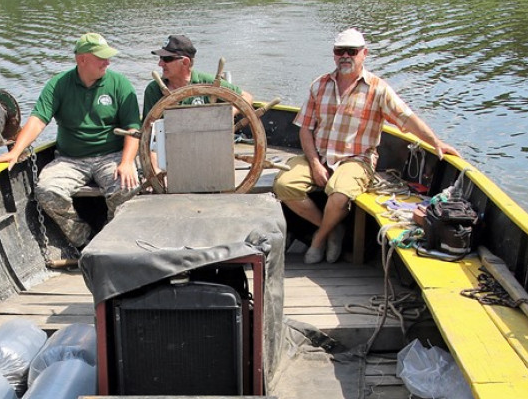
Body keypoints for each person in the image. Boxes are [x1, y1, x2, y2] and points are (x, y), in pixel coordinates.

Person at [274, 28, 458, 264]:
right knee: (284, 184)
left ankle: (319, 238)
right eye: (340, 51)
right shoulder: (319, 85)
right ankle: (333, 230)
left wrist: (435, 142)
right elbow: (305, 129)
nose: (346, 56)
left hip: (356, 159)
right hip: (319, 155)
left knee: (339, 195)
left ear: (364, 53)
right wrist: (314, 163)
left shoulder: (378, 89)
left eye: (352, 51)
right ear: (334, 54)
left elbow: (407, 119)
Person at [0, 32, 142, 250]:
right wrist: (16, 151)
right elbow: (37, 121)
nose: (107, 62)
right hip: (70, 159)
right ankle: (84, 239)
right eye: (101, 57)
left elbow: (133, 128)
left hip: (111, 155)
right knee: (46, 191)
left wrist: (127, 161)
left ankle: (111, 239)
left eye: (108, 57)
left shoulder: (120, 84)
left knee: (127, 188)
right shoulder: (58, 85)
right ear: (82, 59)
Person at [141, 34, 254, 120]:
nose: (160, 64)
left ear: (185, 62)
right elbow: (149, 132)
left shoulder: (207, 82)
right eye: (160, 58)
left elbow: (246, 97)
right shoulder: (154, 90)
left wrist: (227, 115)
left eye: (166, 59)